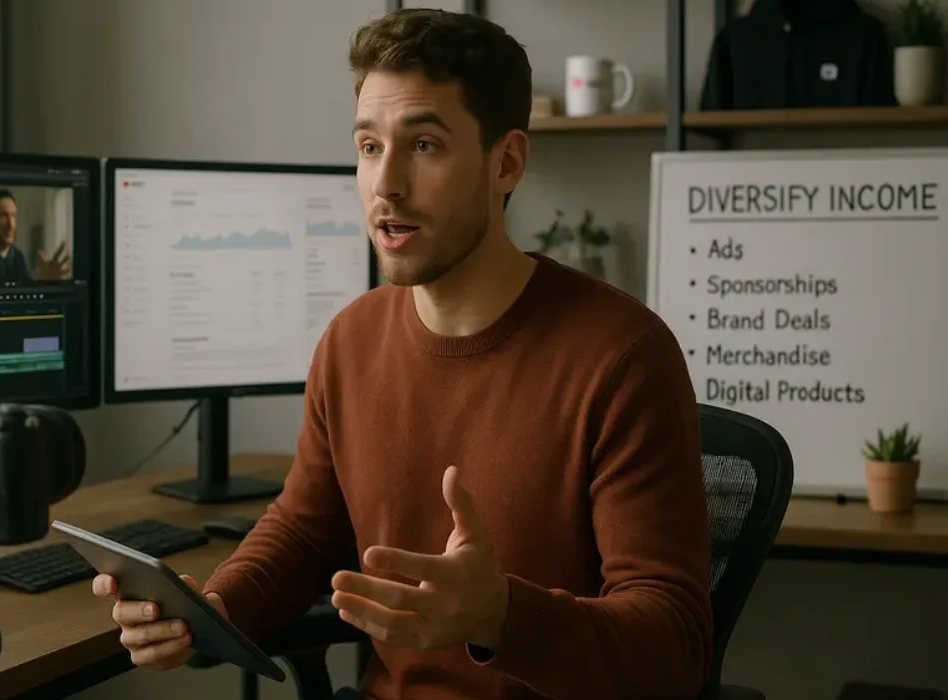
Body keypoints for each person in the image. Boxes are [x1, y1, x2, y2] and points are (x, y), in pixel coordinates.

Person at [92, 9, 713, 700]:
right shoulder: (350, 341)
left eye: (424, 145)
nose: (385, 184)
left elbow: (674, 648)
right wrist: (213, 609)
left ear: (504, 163)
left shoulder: (623, 355)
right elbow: (302, 534)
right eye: (367, 146)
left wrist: (501, 615)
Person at [0, 188, 69, 284]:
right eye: (3, 216)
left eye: (13, 216)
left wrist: (43, 281)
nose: (11, 225)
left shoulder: (18, 257)